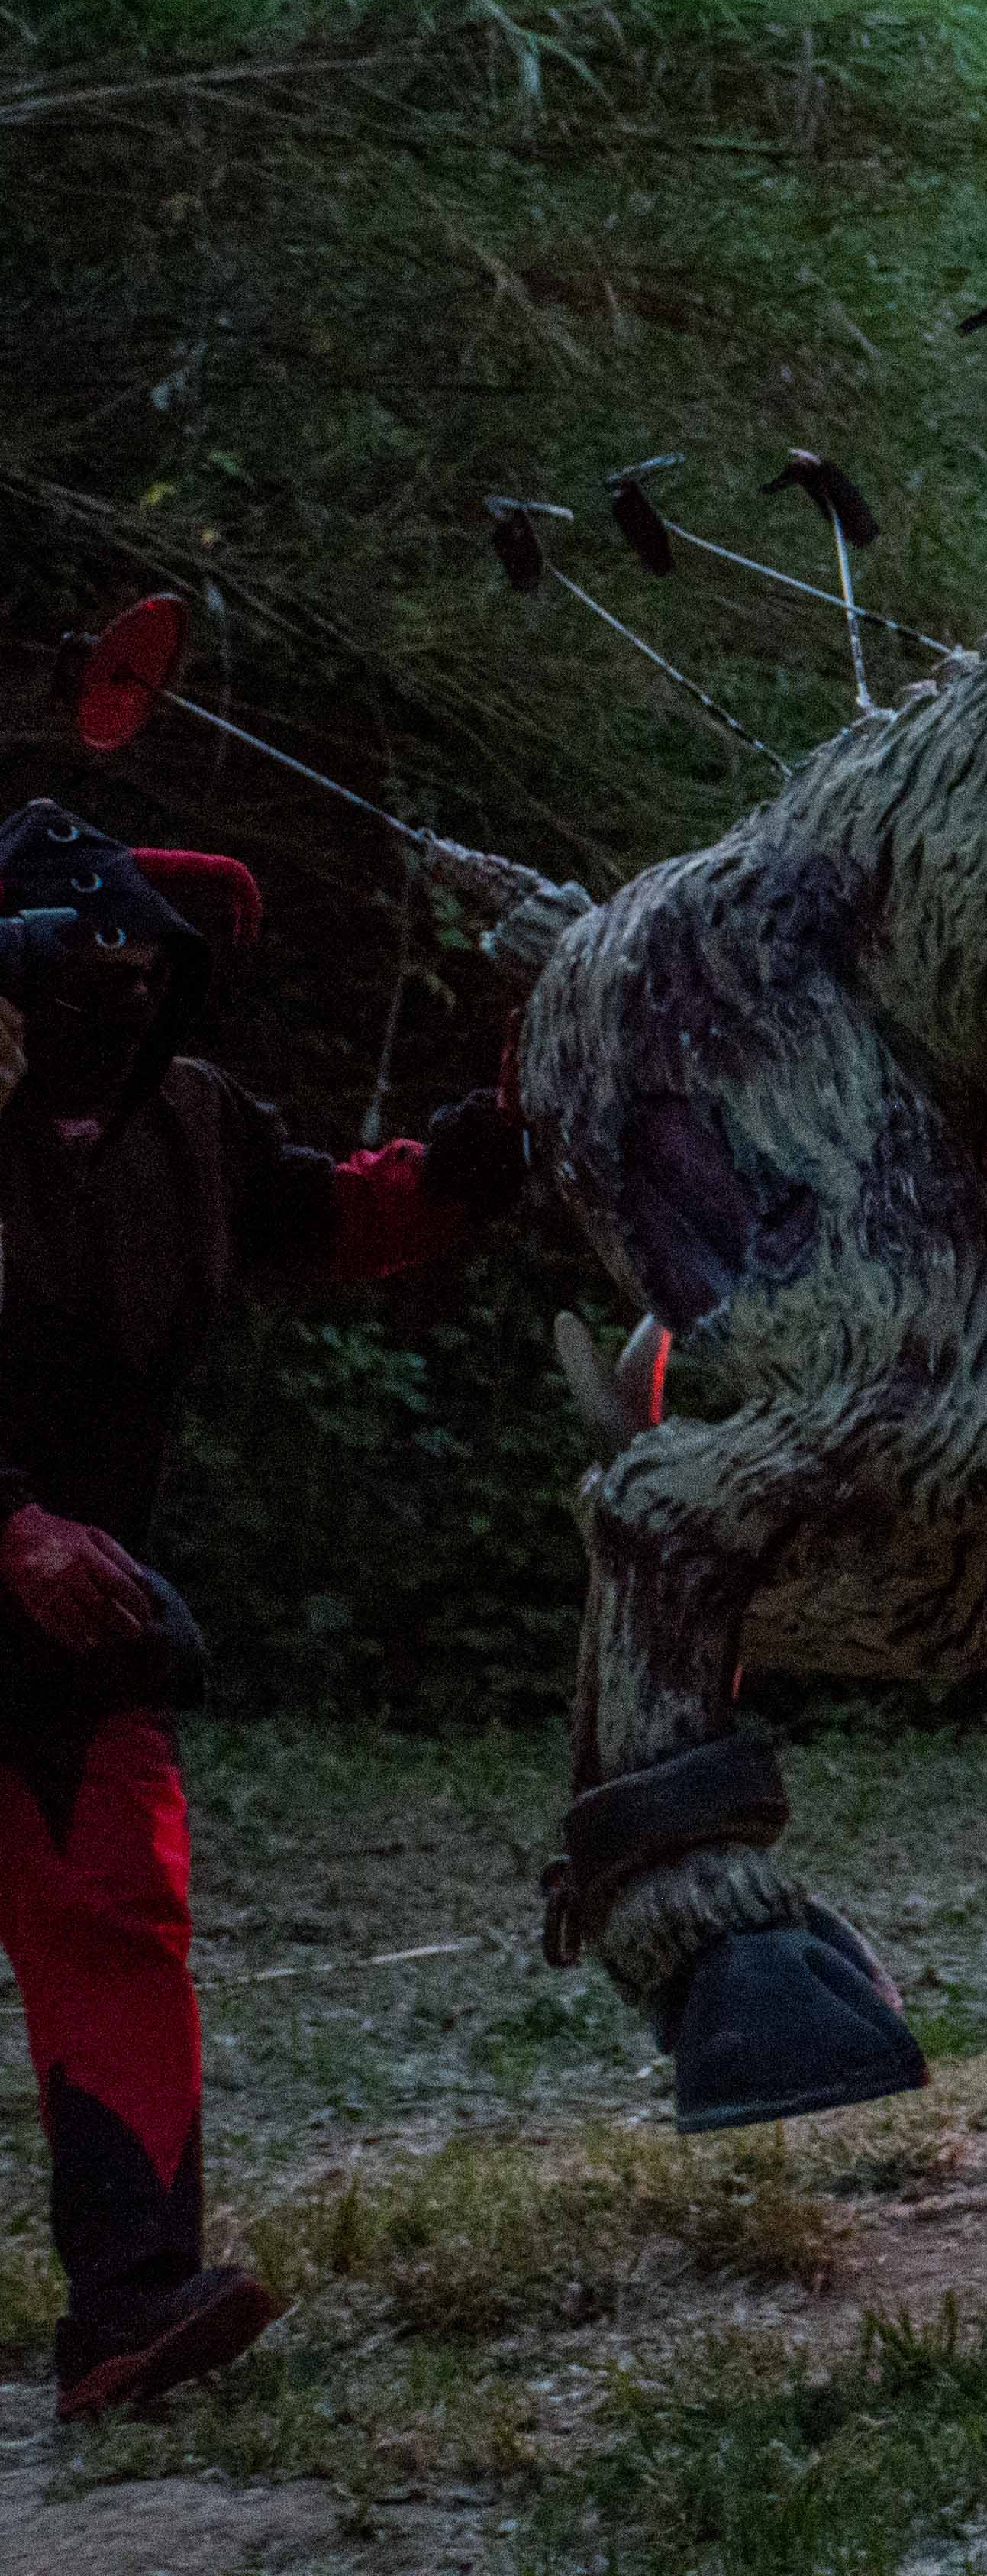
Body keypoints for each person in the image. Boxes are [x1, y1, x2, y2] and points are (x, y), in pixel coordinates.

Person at [0, 803, 524, 2416]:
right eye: (76, 964)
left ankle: (135, 2301)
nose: (113, 995)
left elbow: (332, 1211)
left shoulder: (194, 1123)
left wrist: (478, 1150)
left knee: (121, 1919)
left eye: (131, 965)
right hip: (24, 1560)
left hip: (75, 1631)